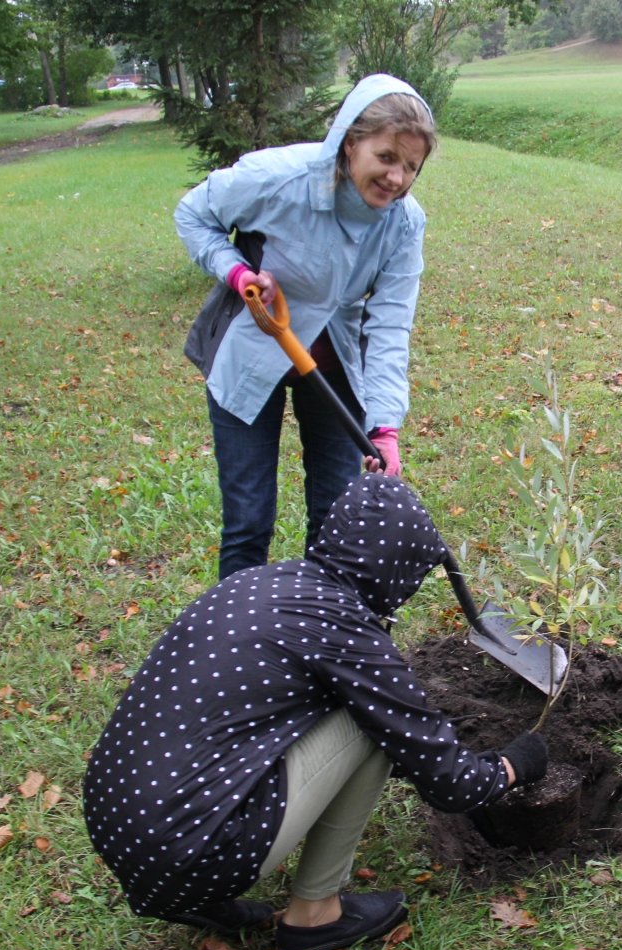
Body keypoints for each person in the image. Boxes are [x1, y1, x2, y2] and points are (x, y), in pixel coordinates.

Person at [83, 476, 548, 950]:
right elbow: (452, 785)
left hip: (116, 824)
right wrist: (518, 763)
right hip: (188, 850)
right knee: (369, 722)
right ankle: (316, 916)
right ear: (398, 570)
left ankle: (194, 894)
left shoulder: (262, 581)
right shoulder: (347, 630)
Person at [176, 74, 434, 581]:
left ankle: (320, 638)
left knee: (335, 518)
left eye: (411, 167)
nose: (397, 179)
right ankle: (240, 649)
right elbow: (194, 214)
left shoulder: (404, 223)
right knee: (249, 521)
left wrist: (384, 426)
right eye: (386, 157)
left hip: (334, 360)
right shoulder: (277, 178)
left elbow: (389, 325)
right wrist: (236, 271)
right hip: (255, 346)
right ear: (350, 142)